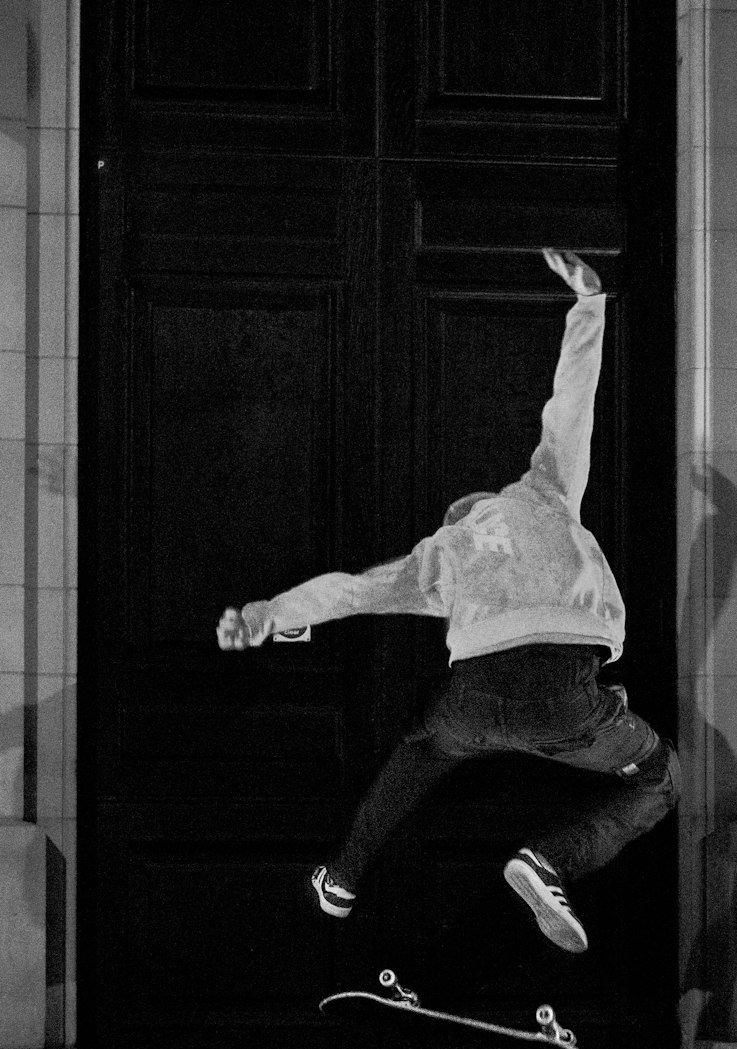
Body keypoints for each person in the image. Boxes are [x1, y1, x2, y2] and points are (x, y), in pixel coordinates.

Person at [217, 249, 680, 955]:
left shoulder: (442, 554)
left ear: (458, 515)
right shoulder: (543, 490)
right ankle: (550, 860)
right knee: (659, 773)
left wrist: (260, 618)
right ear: (492, 498)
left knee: (423, 748)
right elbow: (571, 403)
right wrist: (588, 304)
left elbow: (349, 592)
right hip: (564, 693)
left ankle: (342, 879)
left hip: (474, 699)